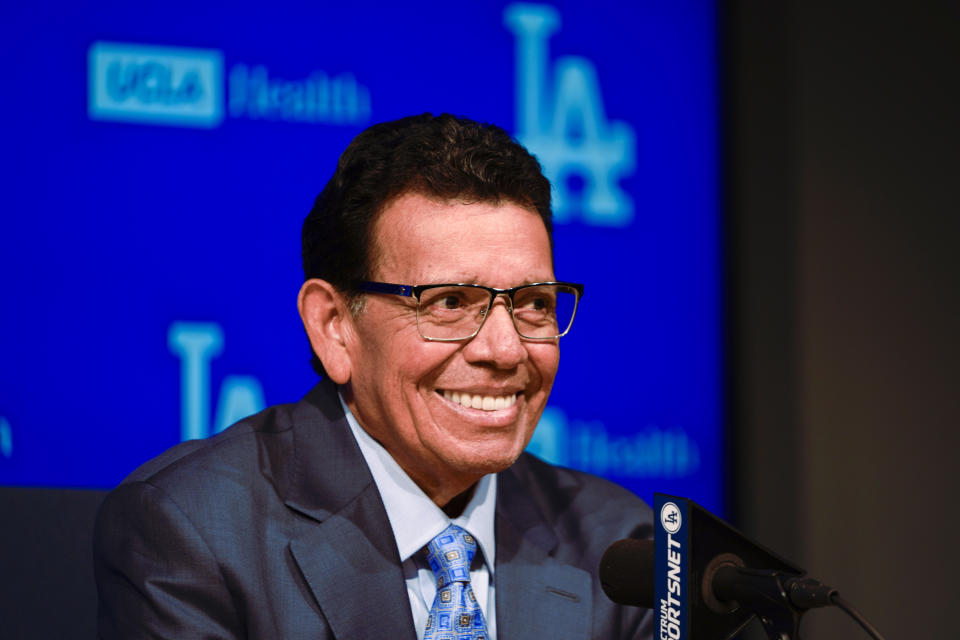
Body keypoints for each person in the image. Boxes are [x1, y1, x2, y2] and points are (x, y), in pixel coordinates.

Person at [94, 113, 653, 639]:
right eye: (450, 301)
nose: (506, 350)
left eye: (534, 302)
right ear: (335, 327)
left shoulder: (622, 550)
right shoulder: (194, 532)